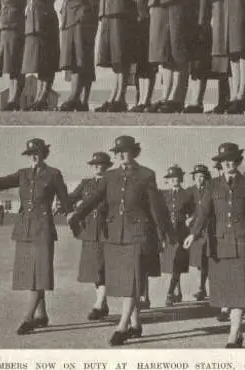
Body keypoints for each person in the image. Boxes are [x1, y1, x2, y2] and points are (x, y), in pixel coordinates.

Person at [68, 136, 173, 346]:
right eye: (117, 152)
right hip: (115, 235)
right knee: (125, 282)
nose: (120, 155)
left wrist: (167, 233)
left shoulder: (146, 175)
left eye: (124, 151)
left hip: (138, 234)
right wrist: (77, 214)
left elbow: (156, 207)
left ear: (134, 152)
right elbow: (94, 198)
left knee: (133, 280)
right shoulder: (109, 176)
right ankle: (136, 324)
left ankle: (122, 326)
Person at [0, 138, 72, 334]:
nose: (34, 156)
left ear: (44, 154)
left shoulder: (53, 174)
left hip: (43, 229)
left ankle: (28, 318)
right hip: (24, 228)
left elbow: (64, 199)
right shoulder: (23, 174)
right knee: (31, 272)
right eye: (30, 154)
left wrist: (68, 210)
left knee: (40, 271)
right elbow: (1, 182)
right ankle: (41, 314)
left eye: (37, 153)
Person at [184, 142, 245, 348]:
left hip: (244, 244)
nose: (228, 164)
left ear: (238, 161)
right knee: (229, 292)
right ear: (221, 164)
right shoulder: (213, 185)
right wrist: (193, 234)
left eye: (231, 160)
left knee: (240, 292)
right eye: (224, 161)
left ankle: (232, 335)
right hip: (220, 245)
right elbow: (203, 212)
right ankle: (238, 332)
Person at [68, 151, 112, 321]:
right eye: (94, 164)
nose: (96, 166)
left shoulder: (112, 182)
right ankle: (103, 304)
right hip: (89, 231)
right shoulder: (86, 183)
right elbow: (71, 197)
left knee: (103, 267)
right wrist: (61, 203)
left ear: (107, 166)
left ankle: (99, 304)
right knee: (95, 270)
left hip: (106, 230)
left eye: (100, 164)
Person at [57, 0, 101, 111]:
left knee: (82, 58)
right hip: (68, 19)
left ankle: (75, 97)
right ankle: (81, 100)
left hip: (82, 18)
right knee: (75, 58)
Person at [186, 0, 229, 113]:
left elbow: (204, 8)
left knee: (201, 67)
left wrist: (201, 27)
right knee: (193, 68)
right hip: (189, 30)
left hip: (200, 30)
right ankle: (193, 100)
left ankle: (197, 101)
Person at [21, 0, 61, 110]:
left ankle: (43, 98)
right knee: (36, 64)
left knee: (48, 63)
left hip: (47, 23)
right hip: (32, 27)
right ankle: (37, 99)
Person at [0, 0, 34, 110]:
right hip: (6, 29)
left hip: (17, 28)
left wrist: (30, 4)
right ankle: (12, 100)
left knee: (17, 66)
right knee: (11, 67)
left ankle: (14, 99)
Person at [160, 166, 195, 306]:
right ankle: (178, 291)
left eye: (176, 177)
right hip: (169, 233)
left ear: (180, 179)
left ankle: (169, 293)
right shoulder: (164, 195)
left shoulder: (186, 194)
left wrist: (190, 219)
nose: (174, 180)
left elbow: (195, 211)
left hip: (181, 233)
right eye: (171, 178)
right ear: (168, 181)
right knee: (172, 264)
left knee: (176, 263)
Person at [132, 0, 159, 112]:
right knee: (140, 65)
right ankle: (140, 99)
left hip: (149, 24)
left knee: (148, 64)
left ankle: (146, 99)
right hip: (138, 26)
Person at [186, 164, 211, 301]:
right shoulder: (190, 191)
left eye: (202, 176)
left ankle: (202, 287)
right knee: (198, 261)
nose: (200, 179)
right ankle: (200, 287)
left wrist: (194, 216)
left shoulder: (210, 190)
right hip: (195, 230)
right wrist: (188, 217)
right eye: (197, 177)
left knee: (206, 259)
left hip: (208, 228)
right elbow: (182, 206)